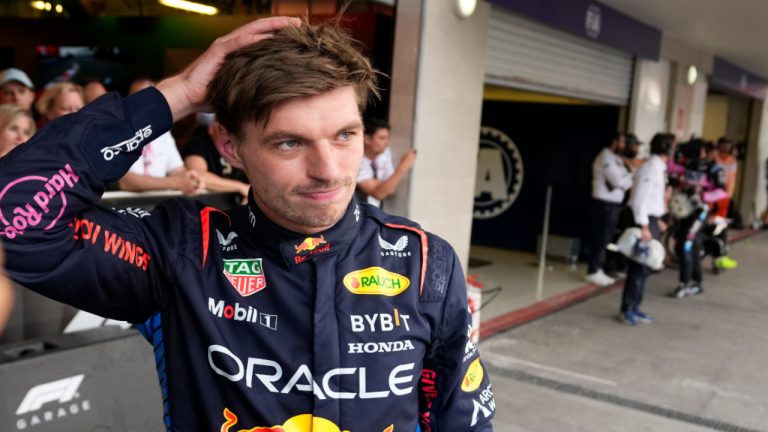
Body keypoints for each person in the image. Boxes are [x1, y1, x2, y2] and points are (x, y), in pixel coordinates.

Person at [0, 16, 494, 431]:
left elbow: (463, 419)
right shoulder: (182, 249)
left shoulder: (426, 263)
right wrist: (175, 95)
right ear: (229, 147)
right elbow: (15, 218)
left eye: (345, 135)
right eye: (289, 143)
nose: (329, 170)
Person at [619, 133, 673, 326]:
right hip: (643, 221)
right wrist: (644, 225)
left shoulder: (659, 167)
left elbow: (652, 198)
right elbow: (640, 197)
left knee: (645, 268)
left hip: (651, 220)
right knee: (638, 266)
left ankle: (635, 306)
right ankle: (627, 308)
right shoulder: (651, 168)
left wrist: (656, 220)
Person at [117, 78, 204, 195]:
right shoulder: (117, 130)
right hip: (123, 206)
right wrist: (176, 183)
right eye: (138, 99)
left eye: (150, 100)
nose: (144, 106)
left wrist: (191, 179)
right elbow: (126, 182)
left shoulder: (163, 131)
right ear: (127, 103)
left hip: (156, 204)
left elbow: (177, 170)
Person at [586, 132, 638, 286]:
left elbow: (626, 181)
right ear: (614, 142)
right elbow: (618, 182)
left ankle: (599, 268)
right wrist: (630, 176)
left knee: (607, 238)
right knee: (600, 237)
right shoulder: (605, 158)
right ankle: (593, 270)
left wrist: (629, 176)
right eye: (622, 142)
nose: (624, 145)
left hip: (613, 206)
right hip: (603, 204)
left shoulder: (617, 160)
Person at [183, 113, 250, 201]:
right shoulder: (198, 144)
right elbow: (197, 176)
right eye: (221, 128)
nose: (226, 133)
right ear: (211, 128)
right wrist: (241, 187)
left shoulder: (241, 145)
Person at [356, 118, 417, 207]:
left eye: (388, 138)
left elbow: (391, 189)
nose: (387, 142)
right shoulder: (357, 160)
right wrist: (403, 166)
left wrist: (383, 185)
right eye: (382, 138)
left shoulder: (385, 153)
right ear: (367, 139)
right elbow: (380, 193)